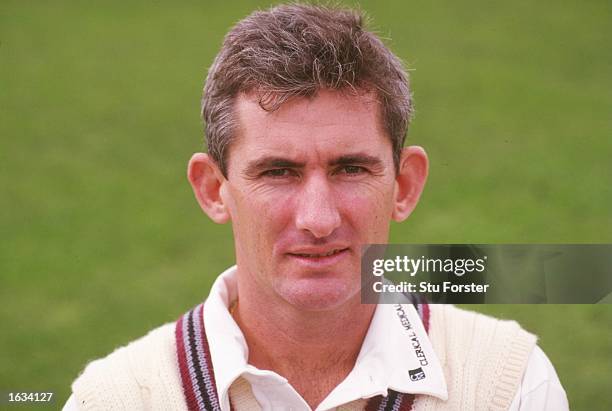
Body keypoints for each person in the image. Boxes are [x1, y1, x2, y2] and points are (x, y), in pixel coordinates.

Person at [64, 4, 568, 410]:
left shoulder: (511, 385)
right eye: (277, 172)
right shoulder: (114, 398)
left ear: (405, 185)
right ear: (213, 190)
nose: (319, 219)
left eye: (351, 169)